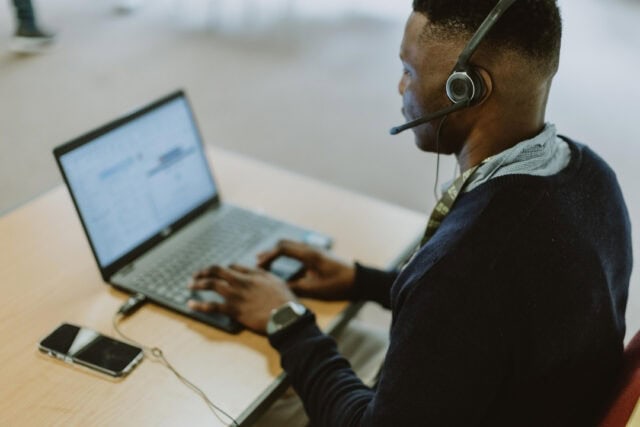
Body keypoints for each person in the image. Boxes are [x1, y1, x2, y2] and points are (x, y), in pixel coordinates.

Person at [188, 0, 633, 425]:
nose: (400, 86)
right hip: (520, 401)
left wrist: (285, 319)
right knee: (338, 348)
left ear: (468, 88)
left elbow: (461, 296)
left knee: (233, 403)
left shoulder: (465, 268)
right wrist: (359, 280)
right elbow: (488, 318)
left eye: (409, 70)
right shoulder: (593, 177)